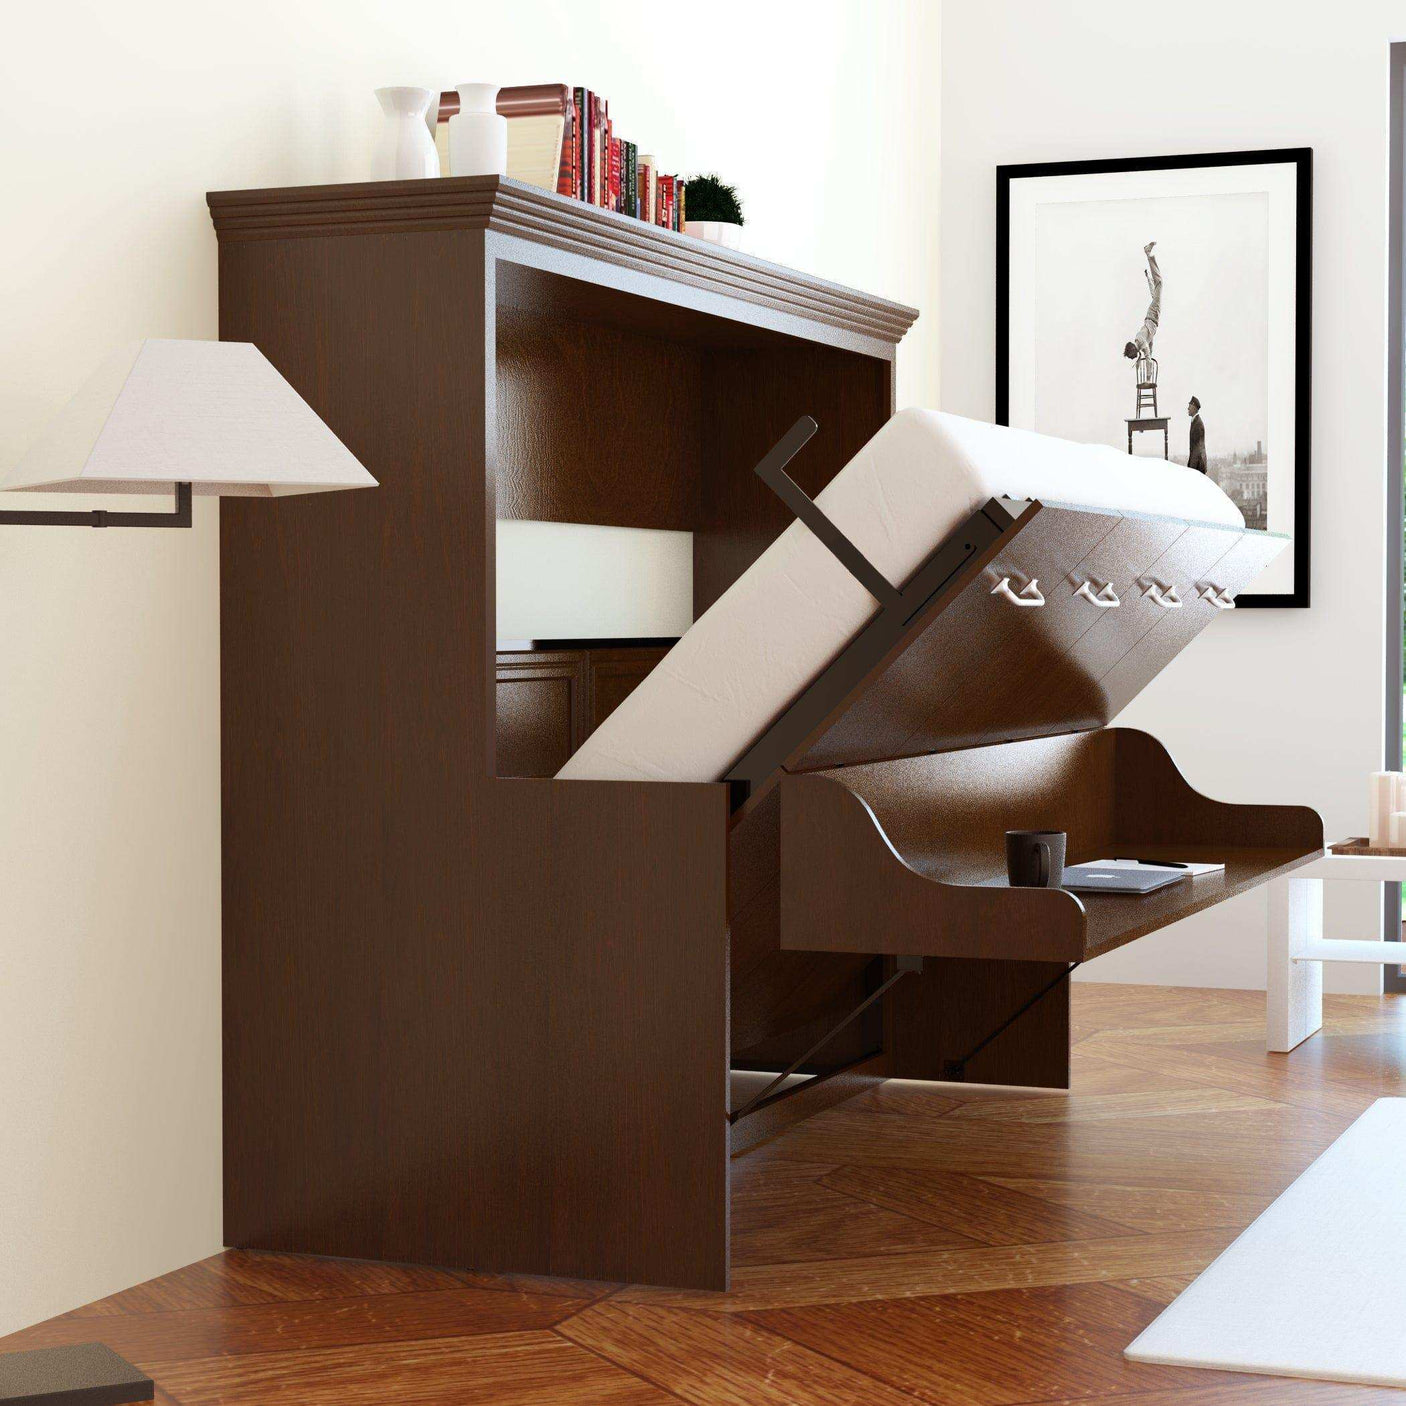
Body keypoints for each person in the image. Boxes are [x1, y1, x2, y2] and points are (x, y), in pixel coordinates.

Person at [1123, 242, 1162, 363]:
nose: (1133, 356)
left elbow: (1148, 356)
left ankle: (1148, 253)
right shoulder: (1143, 342)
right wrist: (1148, 278)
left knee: (1159, 282)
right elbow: (1150, 348)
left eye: (1132, 355)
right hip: (1154, 317)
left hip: (1152, 315)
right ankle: (1148, 255)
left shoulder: (1140, 339)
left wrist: (1149, 373)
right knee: (1155, 290)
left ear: (1132, 349)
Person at [1187, 396, 1207, 473]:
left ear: (1194, 408)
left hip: (1198, 465)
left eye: (1189, 406)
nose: (1188, 409)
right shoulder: (1195, 422)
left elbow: (1197, 448)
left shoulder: (1198, 424)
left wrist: (1192, 468)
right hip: (1197, 464)